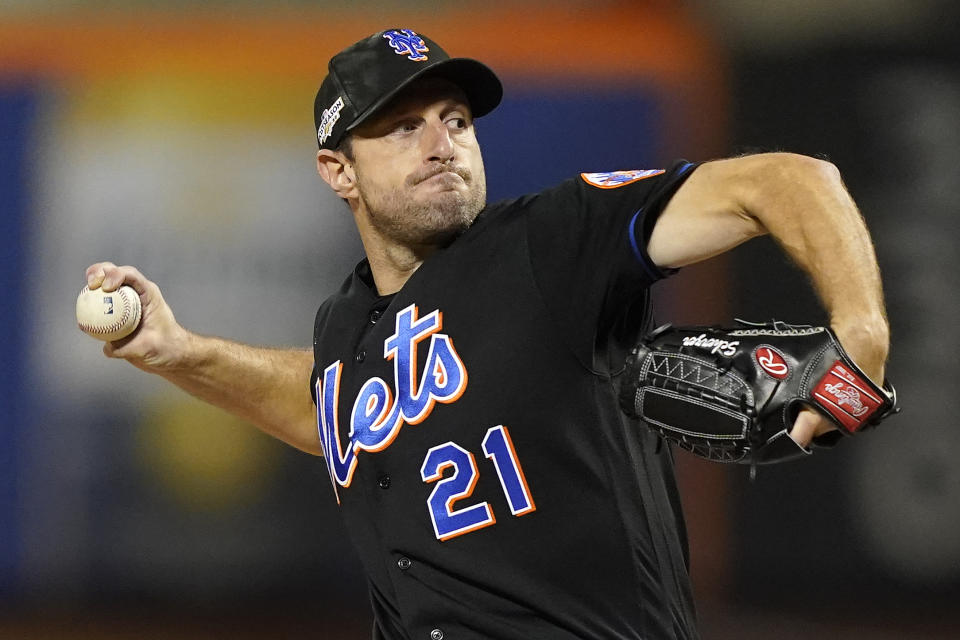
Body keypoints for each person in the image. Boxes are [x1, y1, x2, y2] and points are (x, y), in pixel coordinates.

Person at [83, 29, 889, 640]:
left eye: (457, 120)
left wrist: (859, 330)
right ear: (338, 171)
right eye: (403, 128)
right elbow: (330, 408)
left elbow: (788, 181)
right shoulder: (346, 324)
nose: (443, 147)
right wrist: (178, 353)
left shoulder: (554, 243)